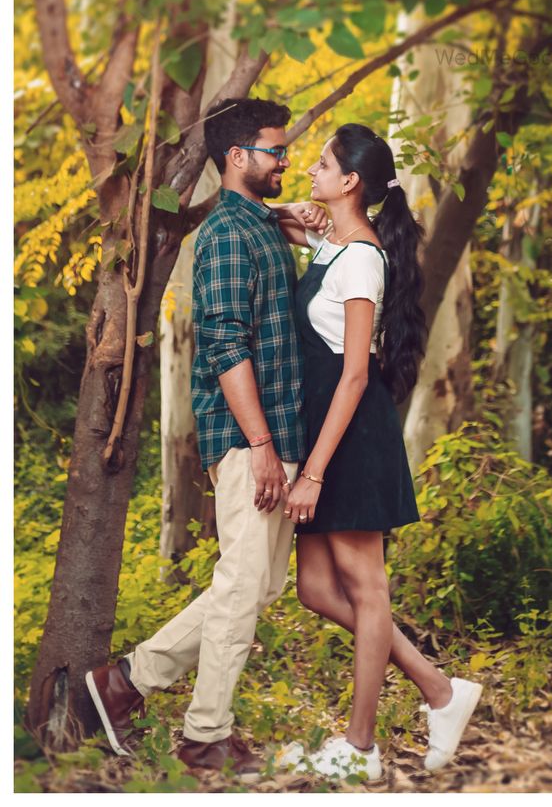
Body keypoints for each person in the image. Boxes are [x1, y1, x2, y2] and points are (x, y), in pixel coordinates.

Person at [85, 97, 305, 781]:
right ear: (238, 157)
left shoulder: (254, 224)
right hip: (249, 439)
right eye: (276, 149)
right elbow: (222, 344)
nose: (287, 160)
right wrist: (263, 446)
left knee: (257, 586)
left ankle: (121, 684)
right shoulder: (226, 237)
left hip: (273, 433)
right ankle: (205, 735)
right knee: (243, 582)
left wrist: (282, 216)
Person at [272, 123, 482, 781]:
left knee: (367, 589)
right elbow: (274, 216)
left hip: (350, 436)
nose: (310, 168)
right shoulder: (333, 243)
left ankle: (360, 748)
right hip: (323, 429)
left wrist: (312, 472)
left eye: (324, 164)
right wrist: (300, 213)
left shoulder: (362, 257)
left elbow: (357, 372)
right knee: (313, 589)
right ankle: (441, 690)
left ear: (352, 182)